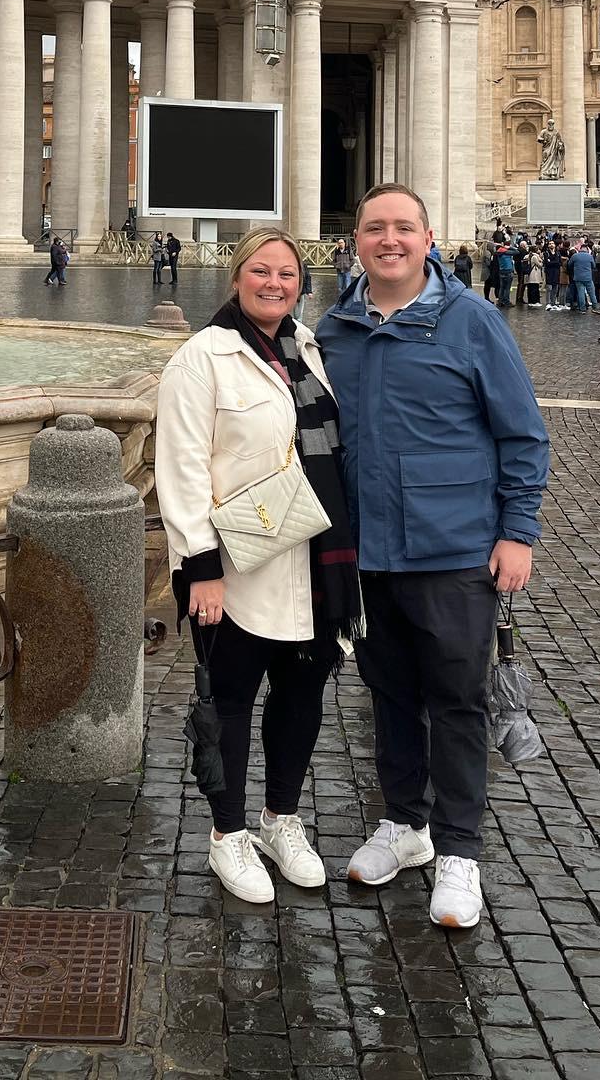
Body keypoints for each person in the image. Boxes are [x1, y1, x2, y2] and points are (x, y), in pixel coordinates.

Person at [317, 184, 549, 930]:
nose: (390, 240)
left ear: (428, 238)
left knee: (455, 704)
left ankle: (459, 850)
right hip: (371, 554)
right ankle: (405, 824)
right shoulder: (337, 329)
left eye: (403, 229)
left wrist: (518, 532)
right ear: (357, 240)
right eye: (376, 228)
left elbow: (523, 436)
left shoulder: (473, 321)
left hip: (453, 550)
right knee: (387, 697)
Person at [155, 230, 362, 903]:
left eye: (287, 274)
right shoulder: (199, 359)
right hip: (238, 563)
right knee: (233, 701)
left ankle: (281, 819)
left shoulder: (311, 349)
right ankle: (228, 834)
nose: (274, 283)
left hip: (317, 559)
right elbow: (181, 471)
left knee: (302, 696)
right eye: (261, 271)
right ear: (237, 276)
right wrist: (201, 566)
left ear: (301, 283)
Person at [568, 241, 596, 313]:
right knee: (592, 293)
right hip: (588, 277)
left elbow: (569, 264)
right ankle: (595, 307)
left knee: (581, 293)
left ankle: (582, 308)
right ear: (586, 249)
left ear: (580, 249)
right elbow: (593, 266)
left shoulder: (575, 256)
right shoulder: (590, 256)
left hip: (578, 277)